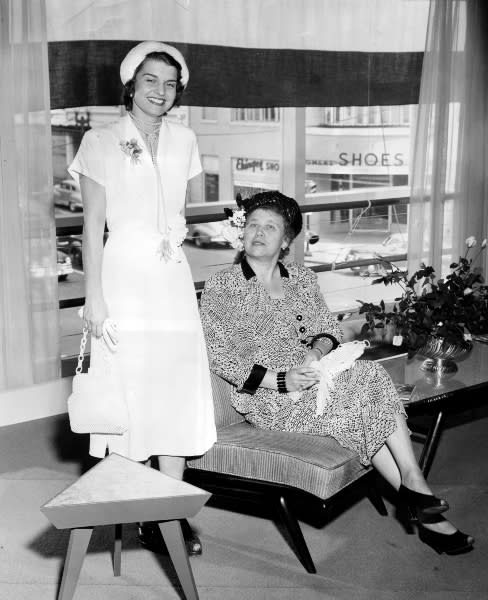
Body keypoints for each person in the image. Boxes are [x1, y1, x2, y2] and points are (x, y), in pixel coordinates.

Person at [199, 190, 474, 556]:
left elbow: (327, 326)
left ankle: (414, 490)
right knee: (366, 390)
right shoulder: (223, 286)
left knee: (368, 378)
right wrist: (281, 379)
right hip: (270, 397)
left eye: (270, 227)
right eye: (252, 225)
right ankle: (417, 493)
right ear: (242, 232)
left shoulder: (301, 277)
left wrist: (314, 352)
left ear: (286, 241)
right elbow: (220, 356)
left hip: (317, 378)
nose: (259, 233)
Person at [68, 41, 216, 555]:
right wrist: (95, 298)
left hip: (171, 278)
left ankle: (169, 511)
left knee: (173, 386)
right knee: (129, 391)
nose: (160, 91)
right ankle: (133, 501)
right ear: (131, 84)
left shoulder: (185, 139)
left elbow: (175, 212)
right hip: (123, 278)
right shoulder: (100, 140)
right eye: (150, 80)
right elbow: (91, 228)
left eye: (170, 83)